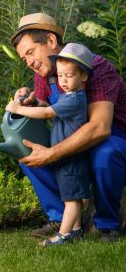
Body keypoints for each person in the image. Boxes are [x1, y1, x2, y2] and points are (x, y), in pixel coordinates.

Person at [10, 13, 126, 242]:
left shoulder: (95, 67)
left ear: (51, 41)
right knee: (28, 154)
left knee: (105, 154)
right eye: (24, 59)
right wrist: (28, 100)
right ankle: (62, 218)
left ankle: (106, 225)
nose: (29, 62)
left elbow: (100, 127)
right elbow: (44, 110)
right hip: (73, 134)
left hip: (112, 136)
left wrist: (52, 153)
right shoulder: (44, 75)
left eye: (31, 52)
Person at [6, 43, 92, 245]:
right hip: (67, 156)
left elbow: (46, 113)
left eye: (68, 76)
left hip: (70, 156)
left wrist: (17, 108)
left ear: (84, 77)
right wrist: (32, 102)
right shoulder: (68, 95)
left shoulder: (75, 99)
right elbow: (47, 106)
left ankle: (62, 235)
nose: (62, 80)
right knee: (72, 196)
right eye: (60, 76)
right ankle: (76, 229)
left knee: (71, 200)